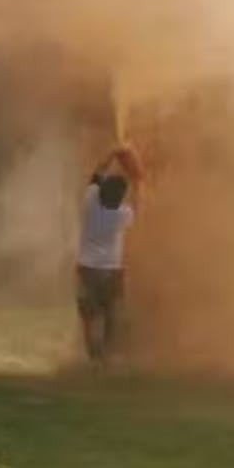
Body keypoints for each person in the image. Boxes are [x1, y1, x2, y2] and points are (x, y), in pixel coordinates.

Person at [76, 145, 138, 365]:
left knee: (89, 317)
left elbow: (97, 173)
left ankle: (93, 356)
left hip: (87, 269)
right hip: (111, 271)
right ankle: (107, 356)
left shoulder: (90, 202)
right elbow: (137, 202)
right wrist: (134, 173)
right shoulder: (121, 215)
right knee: (112, 315)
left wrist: (112, 153)